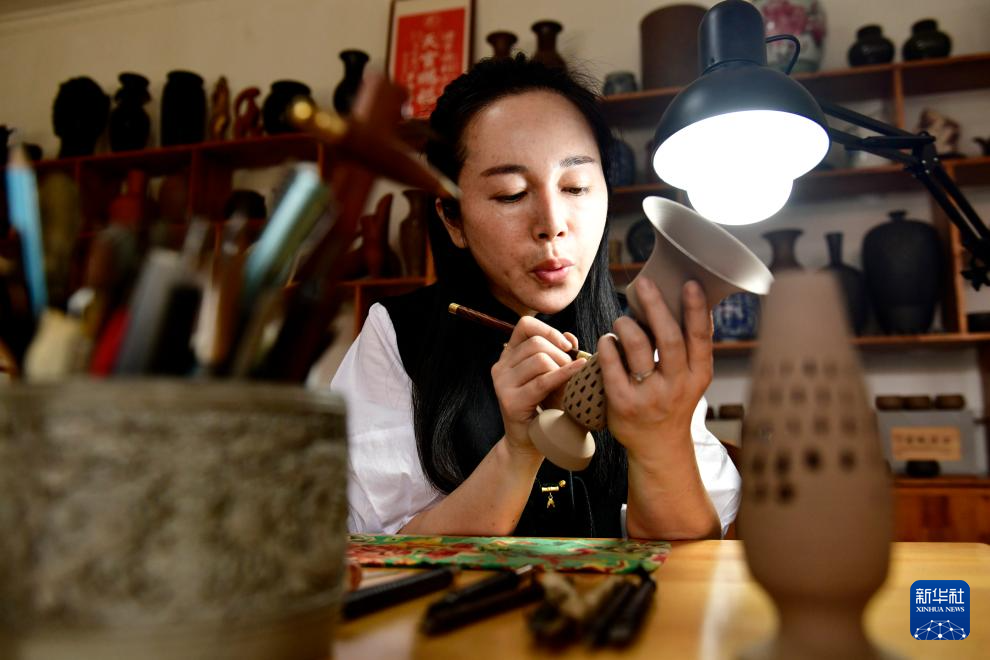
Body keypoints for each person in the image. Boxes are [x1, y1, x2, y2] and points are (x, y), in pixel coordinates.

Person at [331, 54, 740, 540]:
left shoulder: (642, 338)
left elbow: (694, 557)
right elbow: (383, 550)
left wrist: (661, 443)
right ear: (452, 219)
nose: (552, 224)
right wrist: (517, 451)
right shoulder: (398, 335)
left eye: (576, 187)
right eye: (510, 193)